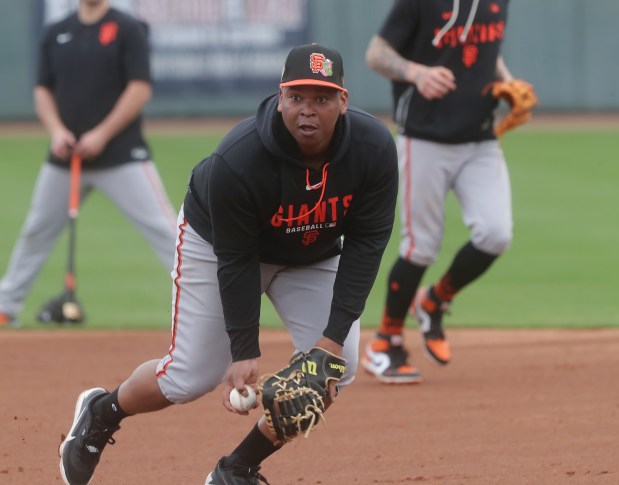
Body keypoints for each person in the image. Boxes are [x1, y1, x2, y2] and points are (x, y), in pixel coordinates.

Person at [57, 42, 398, 485]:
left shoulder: (373, 150)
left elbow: (367, 245)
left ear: (344, 101)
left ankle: (237, 468)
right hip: (217, 243)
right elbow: (236, 259)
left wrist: (329, 345)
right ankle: (102, 411)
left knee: (333, 369)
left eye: (321, 98)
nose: (307, 111)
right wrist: (243, 350)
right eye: (297, 98)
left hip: (312, 255)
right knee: (186, 378)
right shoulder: (239, 159)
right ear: (280, 99)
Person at [362, 0, 530, 383]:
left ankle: (435, 299)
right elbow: (377, 53)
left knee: (495, 233)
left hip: (481, 138)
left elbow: (487, 50)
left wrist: (507, 81)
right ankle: (384, 343)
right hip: (424, 137)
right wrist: (417, 73)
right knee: (420, 245)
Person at [0, 0, 177, 328]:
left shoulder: (127, 27)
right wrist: (55, 131)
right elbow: (42, 90)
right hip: (65, 159)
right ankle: (5, 306)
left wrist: (102, 134)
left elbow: (139, 89)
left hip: (123, 155)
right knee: (36, 231)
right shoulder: (56, 31)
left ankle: (207, 305)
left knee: (167, 231)